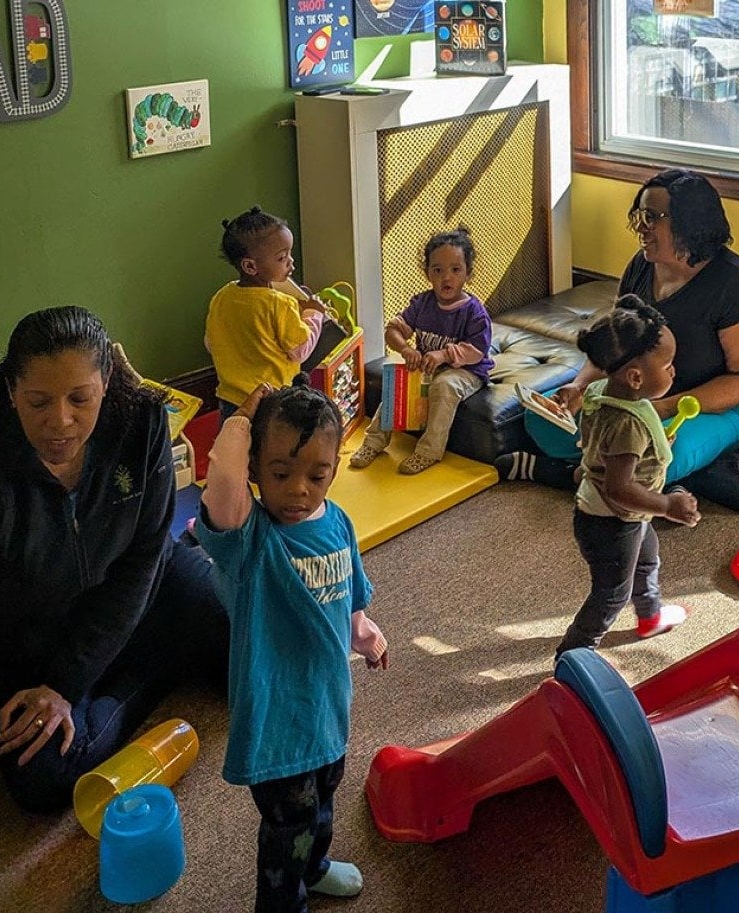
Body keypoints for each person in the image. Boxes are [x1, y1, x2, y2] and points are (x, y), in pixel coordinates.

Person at [0, 307, 228, 879]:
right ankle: (163, 663)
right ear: (12, 392)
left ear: (106, 384)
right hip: (35, 642)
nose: (59, 421)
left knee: (249, 661)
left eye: (79, 399)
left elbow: (143, 561)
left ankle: (131, 673)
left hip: (148, 590)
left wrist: (68, 687)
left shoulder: (142, 426)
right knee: (41, 782)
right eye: (38, 402)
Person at [196, 379, 388, 913]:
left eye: (317, 475)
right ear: (256, 469)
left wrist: (365, 633)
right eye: (281, 474)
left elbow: (350, 598)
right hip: (278, 720)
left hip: (328, 704)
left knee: (324, 800)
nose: (299, 489)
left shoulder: (339, 523)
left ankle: (317, 867)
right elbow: (224, 482)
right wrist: (243, 418)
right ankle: (282, 904)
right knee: (288, 826)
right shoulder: (248, 537)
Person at [498, 168, 739, 489]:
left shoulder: (737, 283)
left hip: (711, 408)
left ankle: (563, 474)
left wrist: (661, 408)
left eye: (653, 217)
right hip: (639, 395)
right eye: (640, 215)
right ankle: (614, 480)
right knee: (542, 419)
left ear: (689, 223)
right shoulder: (642, 265)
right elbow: (614, 343)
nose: (641, 227)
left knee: (655, 455)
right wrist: (580, 387)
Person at [556, 296, 700, 660]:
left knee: (648, 560)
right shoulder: (628, 424)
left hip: (625, 517)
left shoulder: (603, 392)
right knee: (611, 594)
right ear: (636, 377)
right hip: (611, 523)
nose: (673, 371)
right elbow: (620, 488)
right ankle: (574, 655)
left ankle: (650, 616)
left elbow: (603, 441)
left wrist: (656, 441)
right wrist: (668, 504)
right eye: (667, 365)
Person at [348, 226, 493, 475]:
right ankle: (373, 442)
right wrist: (405, 349)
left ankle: (428, 451)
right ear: (428, 273)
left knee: (444, 386)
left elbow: (477, 350)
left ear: (468, 273)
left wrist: (444, 355)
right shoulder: (422, 303)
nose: (446, 278)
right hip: (427, 368)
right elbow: (393, 330)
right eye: (438, 270)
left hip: (466, 371)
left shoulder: (474, 312)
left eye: (455, 270)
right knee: (398, 384)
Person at [205, 207, 326, 422]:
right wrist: (313, 314)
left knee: (235, 446)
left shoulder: (222, 296)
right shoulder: (280, 304)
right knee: (268, 450)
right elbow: (300, 350)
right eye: (282, 258)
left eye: (290, 253)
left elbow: (210, 342)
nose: (291, 262)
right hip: (270, 400)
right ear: (251, 266)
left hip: (230, 399)